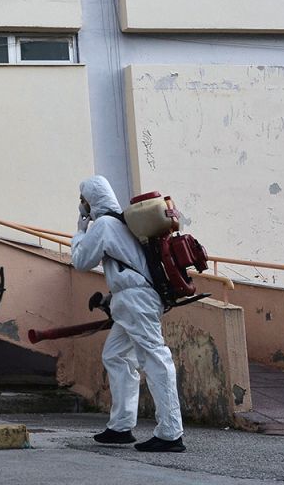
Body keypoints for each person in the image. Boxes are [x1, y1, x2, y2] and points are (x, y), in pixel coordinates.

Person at [70, 175, 186, 453]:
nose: (81, 205)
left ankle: (171, 433)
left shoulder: (106, 225)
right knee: (115, 355)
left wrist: (80, 231)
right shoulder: (122, 223)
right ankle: (120, 427)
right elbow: (128, 269)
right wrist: (114, 297)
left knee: (155, 358)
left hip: (136, 303)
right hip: (133, 301)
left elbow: (81, 261)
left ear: (92, 201)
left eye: (83, 200)